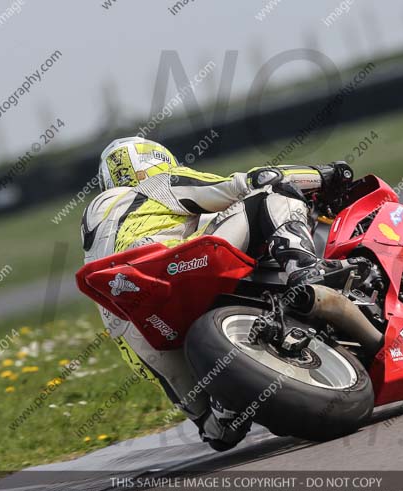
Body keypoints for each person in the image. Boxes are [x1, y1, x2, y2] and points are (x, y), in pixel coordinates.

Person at [81, 136, 352, 450]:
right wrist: (326, 174)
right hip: (178, 267)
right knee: (269, 195)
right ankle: (305, 268)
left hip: (137, 326)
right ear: (151, 161)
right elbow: (250, 181)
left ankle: (223, 410)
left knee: (219, 434)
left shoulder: (94, 245)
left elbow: (143, 363)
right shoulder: (157, 184)